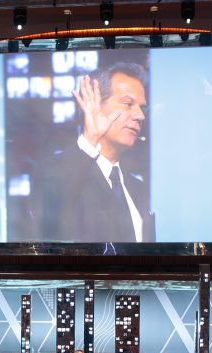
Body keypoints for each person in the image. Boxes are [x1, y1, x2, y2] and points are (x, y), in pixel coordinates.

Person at [33, 62, 153, 243]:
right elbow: (53, 215)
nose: (140, 116)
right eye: (128, 104)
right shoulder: (56, 173)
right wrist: (90, 139)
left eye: (141, 108)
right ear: (95, 106)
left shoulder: (139, 188)